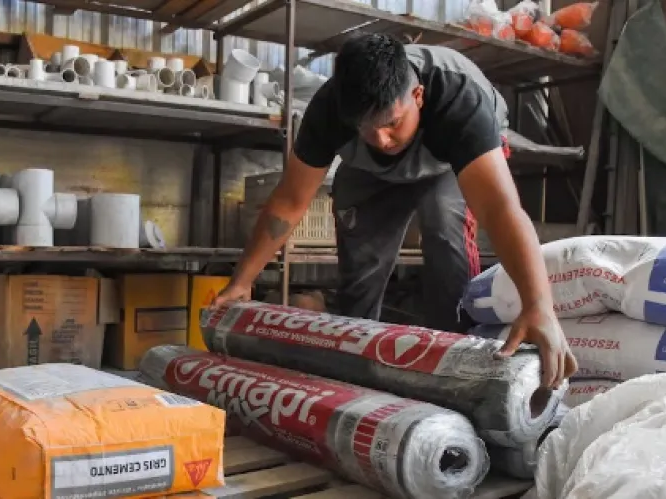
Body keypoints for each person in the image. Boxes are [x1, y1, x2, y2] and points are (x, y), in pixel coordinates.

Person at [211, 34, 577, 388]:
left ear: (417, 96)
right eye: (367, 128)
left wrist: (538, 306)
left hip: (447, 164)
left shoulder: (460, 99)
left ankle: (455, 368)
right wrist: (241, 282)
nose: (382, 140)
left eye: (391, 123)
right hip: (369, 172)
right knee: (361, 268)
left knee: (444, 226)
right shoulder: (330, 109)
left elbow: (499, 209)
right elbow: (289, 202)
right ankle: (353, 371)